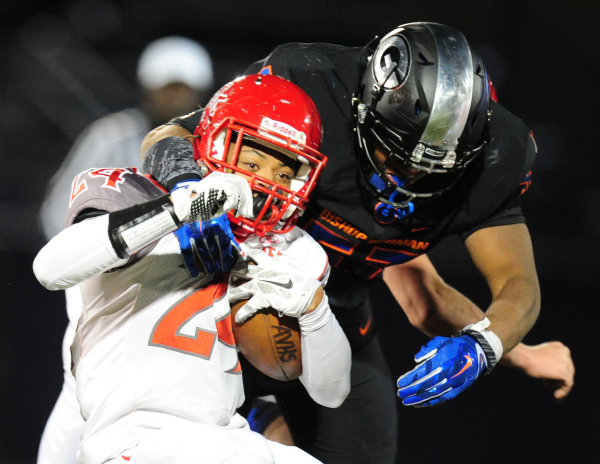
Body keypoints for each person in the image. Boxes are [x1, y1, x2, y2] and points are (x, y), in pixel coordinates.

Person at [140, 22, 575, 464]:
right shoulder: (311, 87)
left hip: (336, 320)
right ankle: (265, 418)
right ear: (365, 108)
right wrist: (192, 196)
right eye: (397, 153)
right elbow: (169, 136)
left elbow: (473, 288)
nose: (409, 178)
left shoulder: (495, 157)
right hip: (226, 296)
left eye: (434, 168)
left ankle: (271, 417)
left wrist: (492, 347)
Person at [33, 74, 351, 464]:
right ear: (214, 145)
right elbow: (50, 267)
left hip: (225, 438)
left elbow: (332, 391)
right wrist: (184, 208)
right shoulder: (135, 195)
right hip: (138, 438)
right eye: (252, 161)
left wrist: (314, 308)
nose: (266, 183)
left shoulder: (293, 249)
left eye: (284, 174)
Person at [36, 36, 214, 464]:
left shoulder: (216, 145)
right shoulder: (112, 135)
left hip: (186, 302)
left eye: (184, 86)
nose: (175, 96)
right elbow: (55, 217)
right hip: (111, 296)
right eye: (166, 86)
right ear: (145, 86)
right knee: (79, 408)